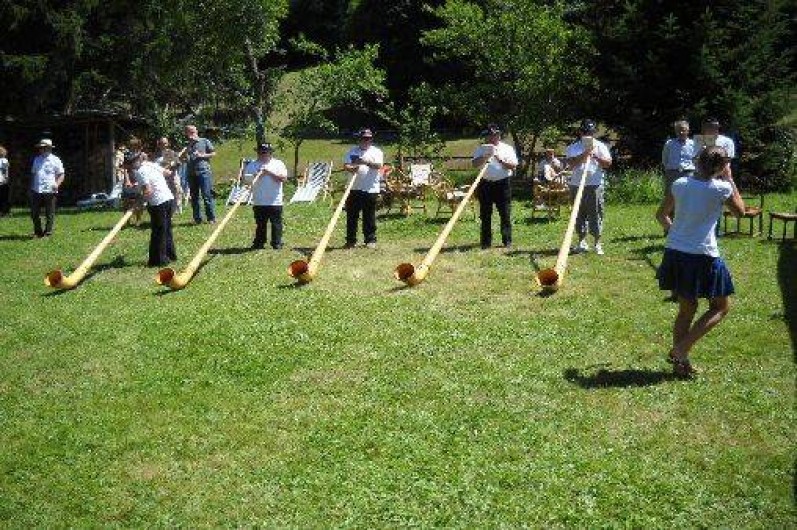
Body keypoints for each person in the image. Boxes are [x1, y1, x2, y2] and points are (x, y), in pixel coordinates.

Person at [655, 146, 745, 378]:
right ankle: (680, 350)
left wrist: (676, 232)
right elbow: (740, 212)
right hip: (703, 256)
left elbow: (661, 215)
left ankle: (680, 364)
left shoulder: (680, 184)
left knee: (687, 310)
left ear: (697, 162)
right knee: (720, 307)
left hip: (676, 252)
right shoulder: (721, 188)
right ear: (720, 166)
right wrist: (731, 179)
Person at [565, 119, 612, 255]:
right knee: (578, 214)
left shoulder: (600, 146)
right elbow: (571, 164)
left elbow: (608, 163)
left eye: (590, 132)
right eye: (585, 132)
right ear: (580, 132)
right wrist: (584, 154)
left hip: (594, 185)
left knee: (596, 213)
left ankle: (597, 242)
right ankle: (581, 241)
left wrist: (595, 156)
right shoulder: (573, 147)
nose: (587, 135)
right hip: (576, 184)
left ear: (593, 133)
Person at [123, 151, 177, 267]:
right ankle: (171, 255)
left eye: (131, 163)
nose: (131, 166)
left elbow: (148, 191)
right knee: (166, 229)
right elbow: (167, 173)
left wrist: (138, 202)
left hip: (158, 202)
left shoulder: (140, 172)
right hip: (168, 198)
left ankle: (159, 260)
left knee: (158, 232)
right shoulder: (150, 165)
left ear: (134, 162)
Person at [471, 124, 519, 249]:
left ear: (499, 135)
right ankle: (486, 243)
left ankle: (507, 241)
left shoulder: (507, 148)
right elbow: (474, 164)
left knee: (505, 213)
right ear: (486, 136)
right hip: (485, 183)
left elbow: (513, 166)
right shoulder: (481, 149)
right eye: (490, 135)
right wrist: (485, 156)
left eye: (495, 134)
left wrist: (499, 159)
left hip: (503, 183)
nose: (493, 137)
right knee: (485, 214)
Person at [342, 128, 384, 249]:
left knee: (369, 215)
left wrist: (365, 162)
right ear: (359, 139)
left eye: (368, 138)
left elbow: (379, 165)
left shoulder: (376, 152)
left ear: (371, 139)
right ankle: (351, 240)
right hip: (354, 188)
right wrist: (351, 168)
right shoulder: (352, 151)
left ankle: (370, 240)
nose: (366, 140)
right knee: (352, 216)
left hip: (370, 188)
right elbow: (346, 165)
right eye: (364, 138)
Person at [244, 142, 287, 250]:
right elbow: (246, 181)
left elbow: (283, 179)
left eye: (266, 152)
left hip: (275, 200)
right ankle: (259, 243)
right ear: (258, 152)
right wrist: (256, 175)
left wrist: (269, 172)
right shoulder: (252, 165)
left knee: (276, 223)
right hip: (259, 200)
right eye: (261, 152)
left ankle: (276, 243)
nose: (263, 154)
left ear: (270, 153)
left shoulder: (278, 164)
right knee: (260, 224)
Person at [29, 139, 65, 237]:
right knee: (34, 212)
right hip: (36, 189)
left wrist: (57, 184)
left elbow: (61, 174)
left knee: (49, 212)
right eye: (40, 148)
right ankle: (38, 231)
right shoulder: (36, 159)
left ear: (48, 148)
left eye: (43, 147)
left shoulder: (56, 160)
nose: (41, 149)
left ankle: (48, 232)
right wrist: (31, 188)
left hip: (50, 190)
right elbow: (33, 174)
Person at [182, 125, 216, 224]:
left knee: (206, 195)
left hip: (203, 171)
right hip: (191, 173)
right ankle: (197, 218)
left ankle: (211, 218)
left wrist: (202, 155)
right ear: (186, 133)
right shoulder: (187, 144)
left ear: (196, 131)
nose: (192, 134)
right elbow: (183, 157)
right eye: (189, 132)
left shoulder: (205, 141)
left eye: (193, 132)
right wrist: (188, 148)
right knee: (194, 196)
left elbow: (213, 153)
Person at [661, 119, 695, 197]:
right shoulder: (669, 143)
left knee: (688, 193)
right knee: (670, 194)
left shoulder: (693, 143)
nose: (681, 132)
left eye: (683, 130)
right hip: (672, 172)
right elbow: (664, 158)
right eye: (678, 130)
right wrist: (668, 168)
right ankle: (670, 209)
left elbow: (696, 158)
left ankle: (686, 209)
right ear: (675, 131)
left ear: (688, 131)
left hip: (689, 172)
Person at [153, 137, 183, 214]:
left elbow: (178, 163)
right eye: (161, 143)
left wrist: (173, 164)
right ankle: (169, 209)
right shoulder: (155, 154)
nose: (163, 145)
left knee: (176, 191)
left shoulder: (171, 152)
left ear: (168, 144)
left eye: (165, 143)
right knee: (166, 193)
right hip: (161, 178)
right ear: (158, 144)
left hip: (172, 176)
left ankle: (177, 208)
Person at [0, 145, 9, 216]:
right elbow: (5, 171)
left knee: (3, 197)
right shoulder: (4, 160)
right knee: (3, 197)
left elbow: (5, 170)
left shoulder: (4, 160)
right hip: (2, 181)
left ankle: (4, 212)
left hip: (2, 181)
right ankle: (3, 211)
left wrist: (5, 178)